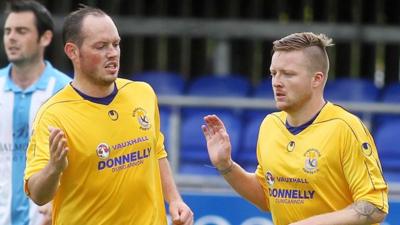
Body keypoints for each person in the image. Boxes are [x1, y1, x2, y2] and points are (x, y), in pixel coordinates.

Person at [24, 5, 193, 225]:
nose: (112, 53)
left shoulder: (142, 93)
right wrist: (53, 169)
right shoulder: (54, 114)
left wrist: (174, 199)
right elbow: (38, 195)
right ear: (72, 51)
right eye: (101, 46)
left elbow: (157, 152)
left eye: (116, 44)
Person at [202, 32, 388, 225]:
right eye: (274, 73)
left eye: (288, 74)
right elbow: (267, 198)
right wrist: (226, 166)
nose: (276, 82)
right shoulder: (270, 125)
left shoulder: (345, 128)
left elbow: (375, 206)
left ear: (316, 79)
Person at [0, 1, 71, 225]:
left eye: (21, 31)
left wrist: (56, 202)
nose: (11, 38)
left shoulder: (66, 91)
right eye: (7, 31)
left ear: (46, 38)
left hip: (48, 218)